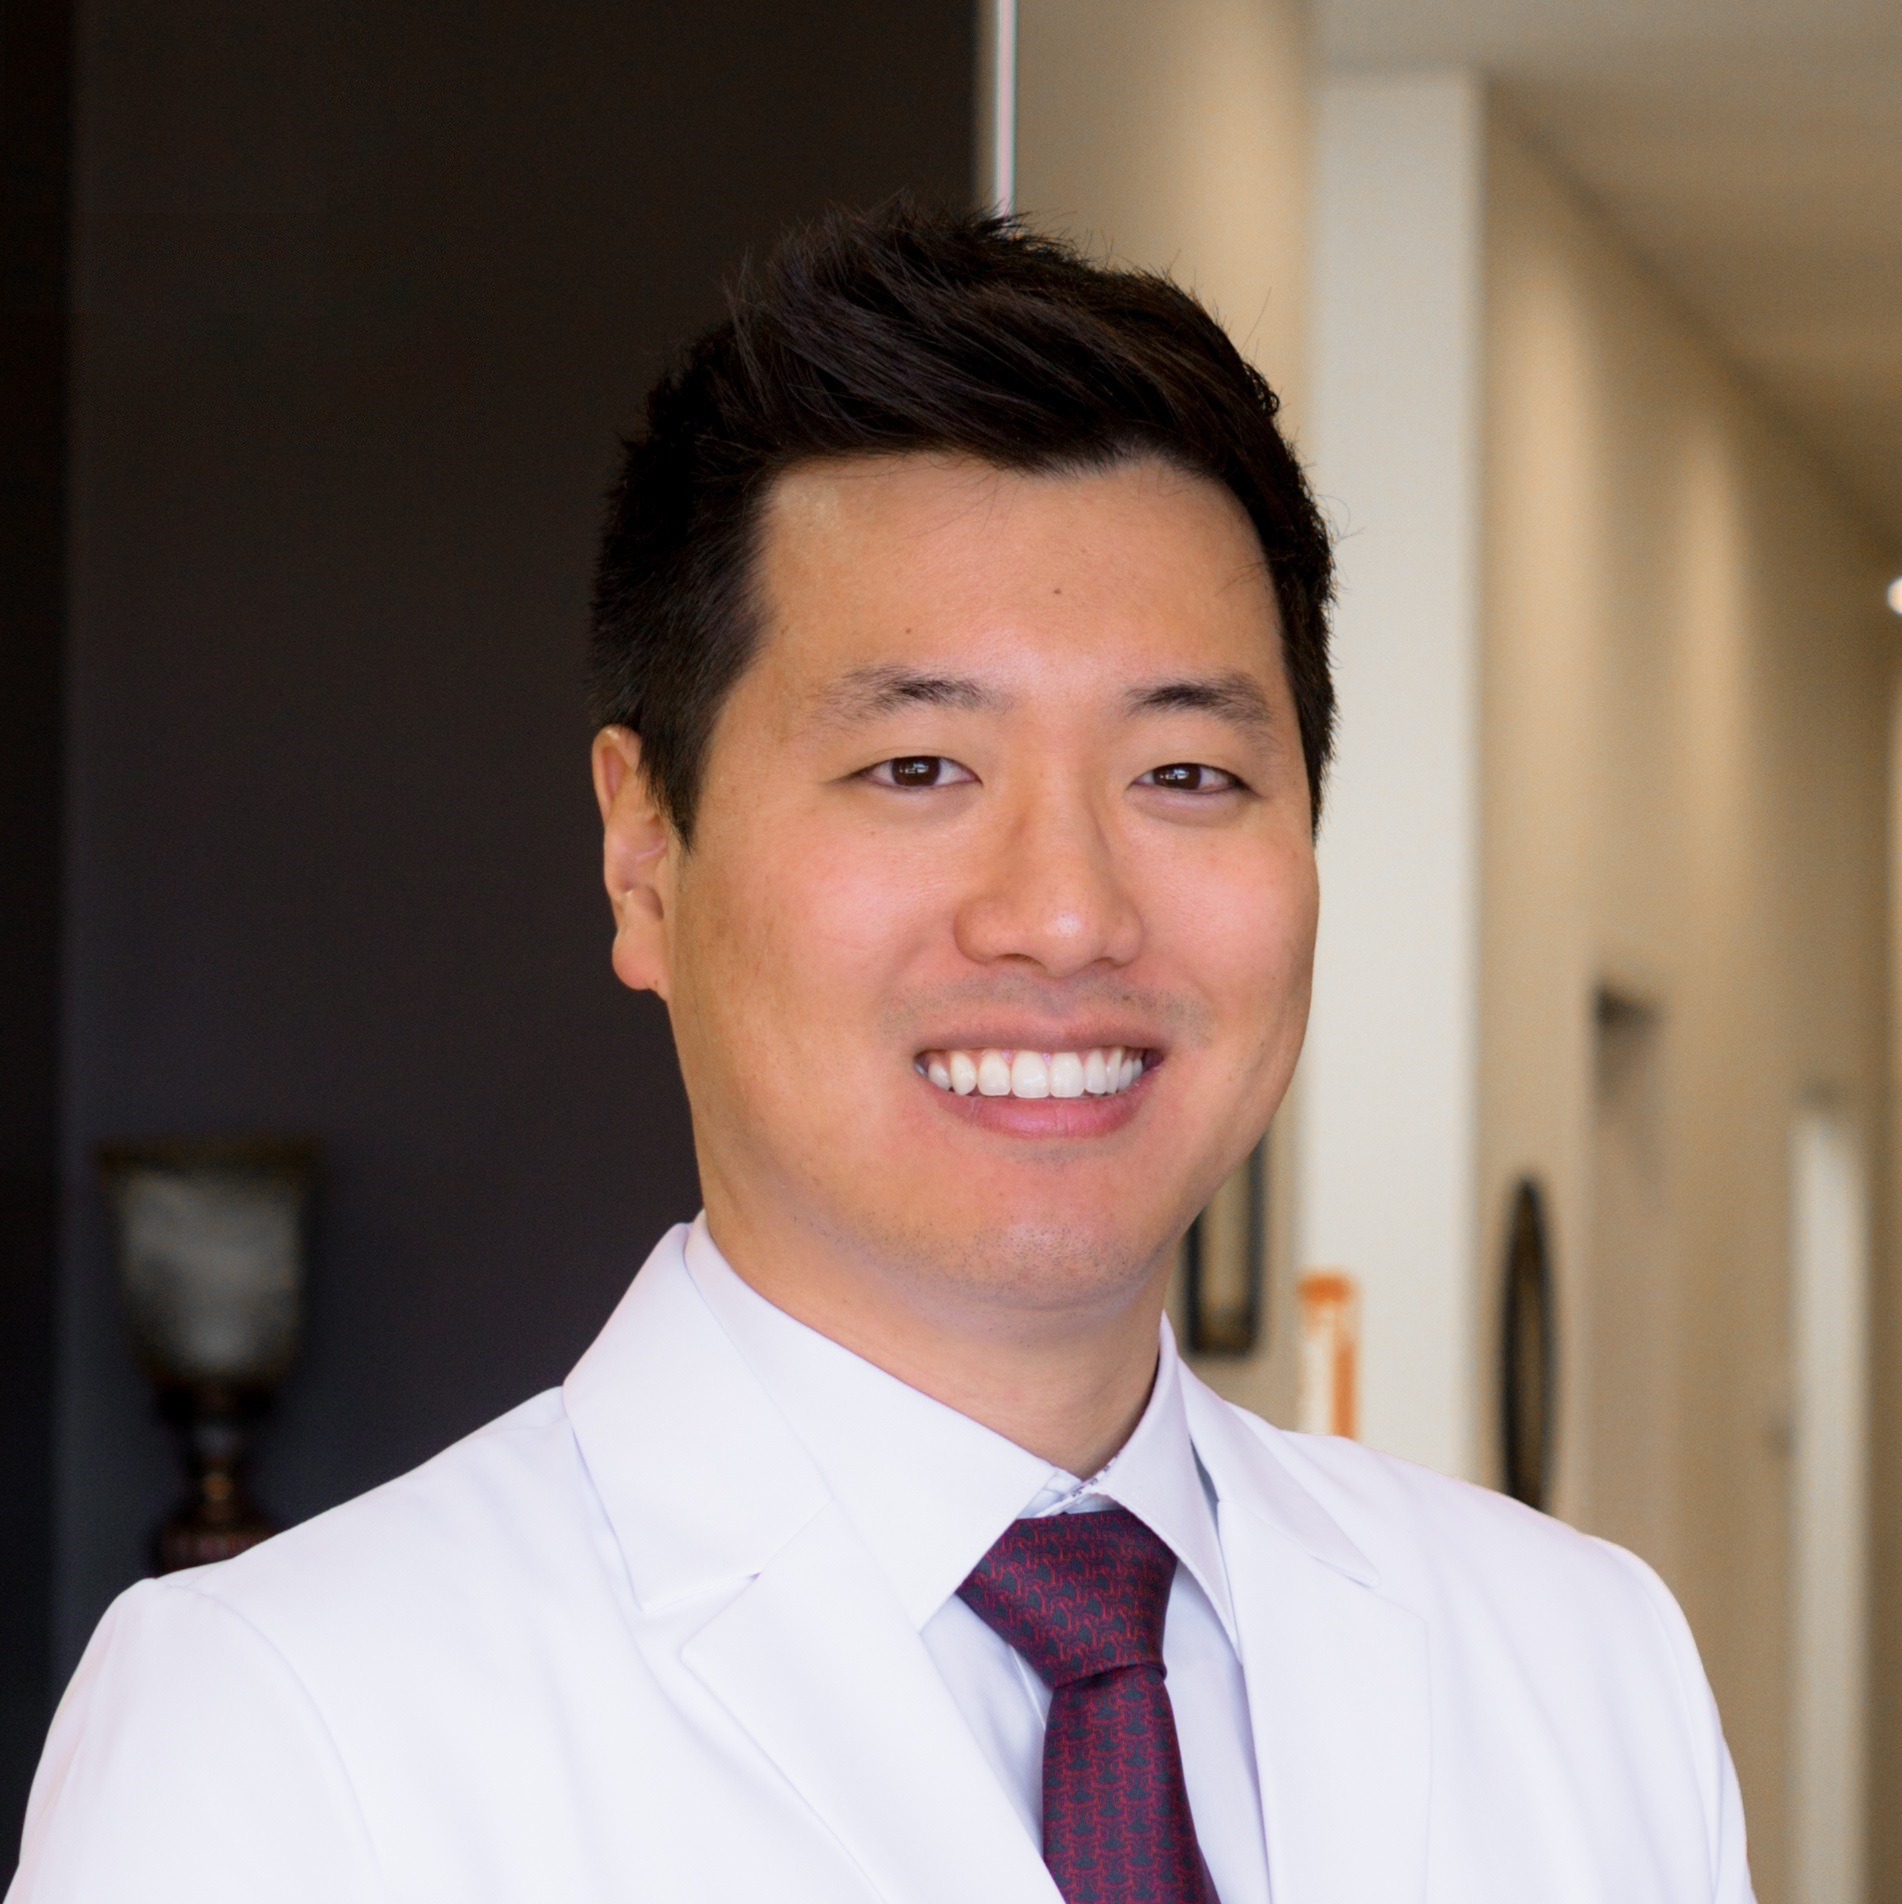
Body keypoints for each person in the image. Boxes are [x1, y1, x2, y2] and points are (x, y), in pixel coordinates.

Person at [8, 202, 1752, 1904]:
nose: (1064, 914)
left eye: (1185, 774)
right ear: (644, 853)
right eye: (918, 769)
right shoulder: (289, 1729)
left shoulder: (1580, 1668)